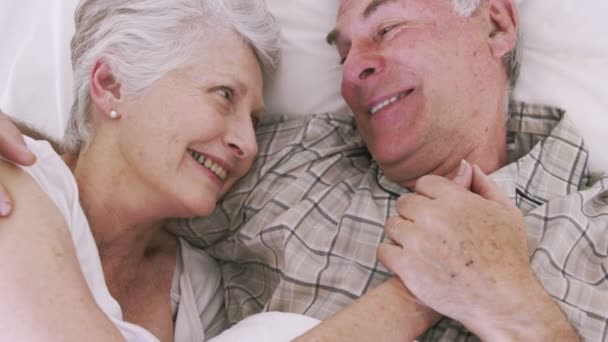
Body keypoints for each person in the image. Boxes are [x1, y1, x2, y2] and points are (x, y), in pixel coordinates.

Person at [2, 0, 606, 340]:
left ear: (495, 24)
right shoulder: (289, 163)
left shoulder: (595, 230)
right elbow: (116, 167)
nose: (351, 72)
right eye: (341, 53)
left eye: (387, 27)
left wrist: (511, 303)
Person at [0, 0, 281, 340]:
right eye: (224, 95)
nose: (249, 144)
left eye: (253, 121)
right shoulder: (15, 178)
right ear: (111, 84)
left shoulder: (200, 294)